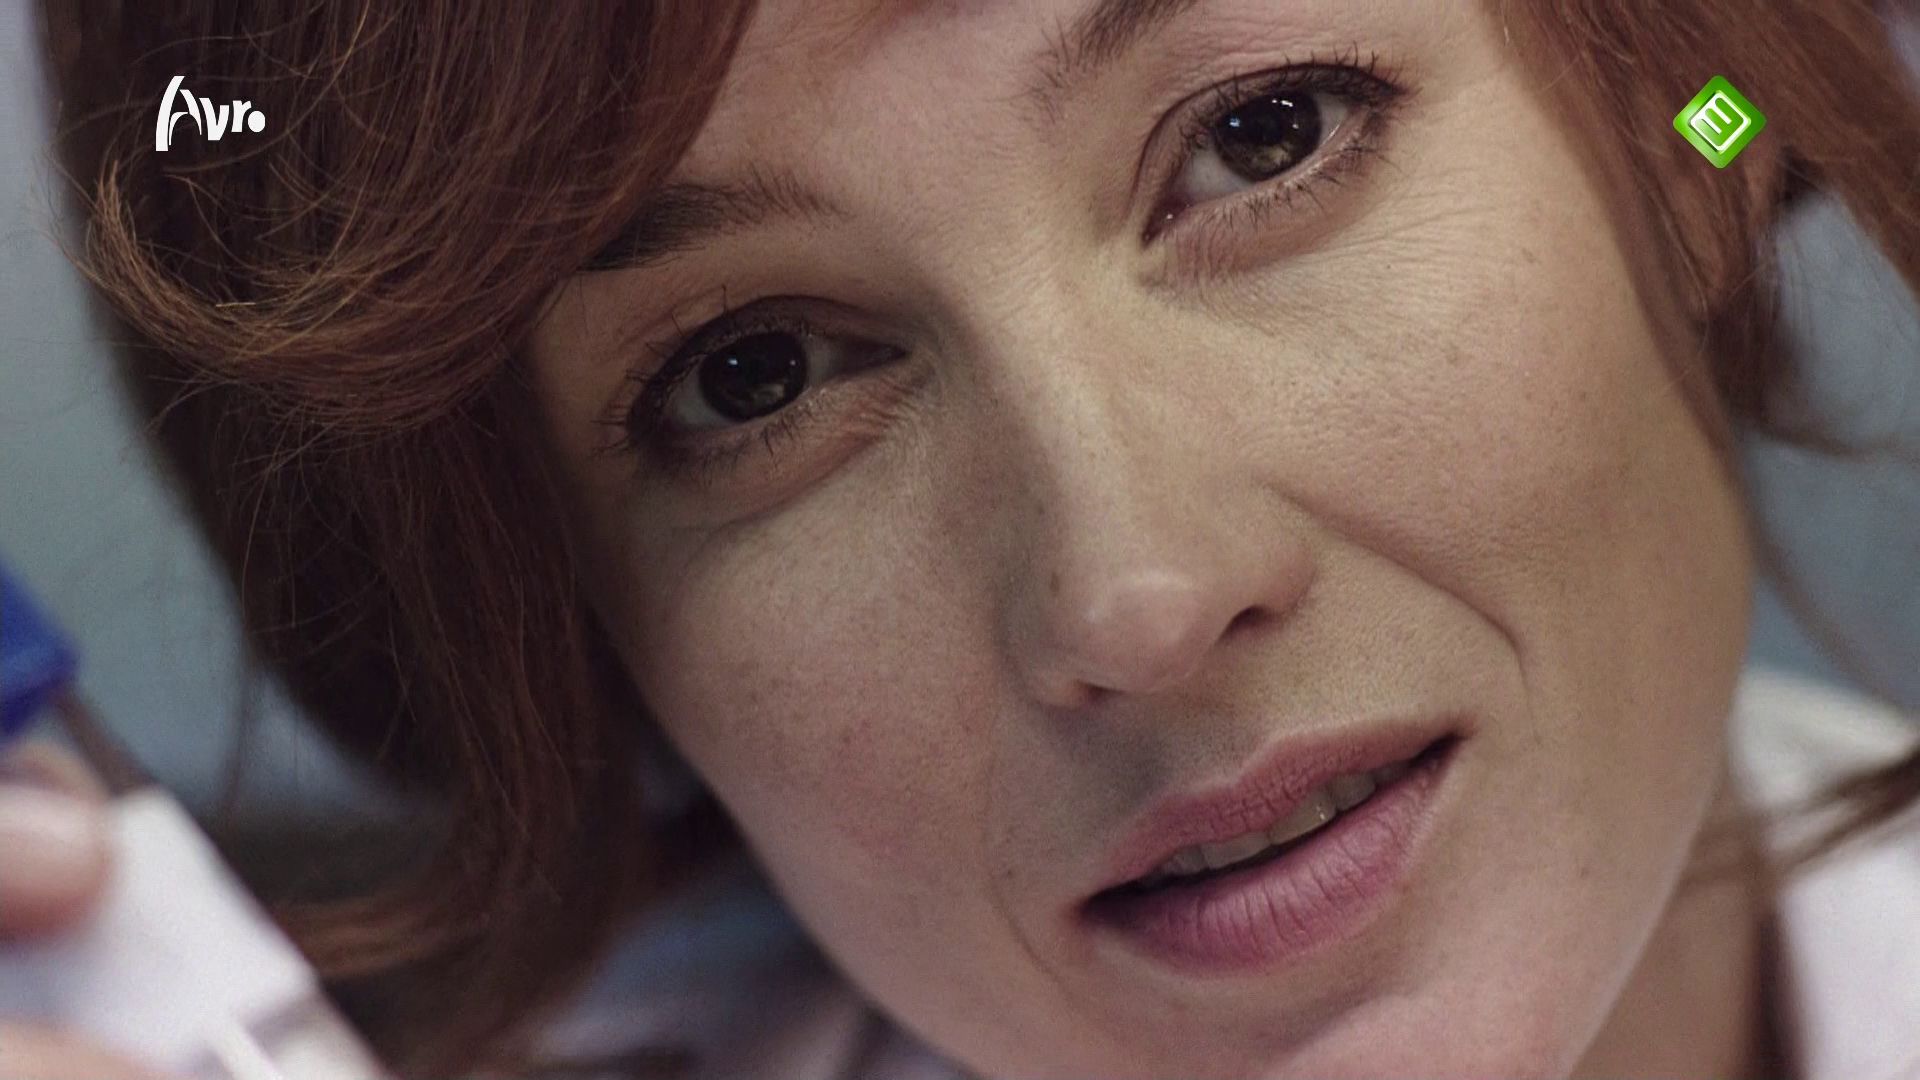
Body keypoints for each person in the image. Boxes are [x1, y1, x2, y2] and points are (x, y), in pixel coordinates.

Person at [5, 1, 1919, 1077]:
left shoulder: (1716, 89)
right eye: (752, 375)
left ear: (1697, 138)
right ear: (572, 623)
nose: (1140, 596)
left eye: (1265, 137)